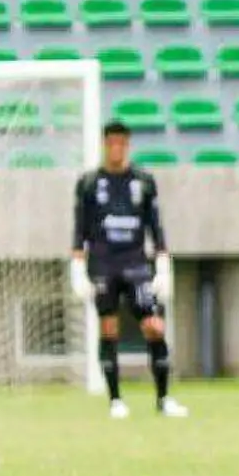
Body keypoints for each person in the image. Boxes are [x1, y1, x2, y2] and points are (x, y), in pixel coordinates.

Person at [69, 121, 186, 420]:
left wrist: (162, 263)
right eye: (111, 143)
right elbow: (79, 228)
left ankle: (163, 398)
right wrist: (78, 267)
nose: (116, 148)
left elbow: (155, 225)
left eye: (122, 143)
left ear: (127, 145)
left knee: (154, 326)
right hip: (103, 264)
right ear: (105, 144)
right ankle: (116, 400)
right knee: (109, 328)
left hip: (135, 263)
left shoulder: (143, 181)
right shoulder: (89, 183)